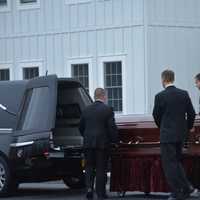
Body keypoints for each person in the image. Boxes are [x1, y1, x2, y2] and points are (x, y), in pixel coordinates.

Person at [153, 70, 199, 200]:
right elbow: (191, 113)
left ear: (163, 80)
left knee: (169, 165)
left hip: (167, 135)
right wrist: (188, 128)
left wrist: (162, 126)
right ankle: (186, 188)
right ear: (173, 78)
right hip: (180, 135)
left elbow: (156, 115)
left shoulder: (160, 96)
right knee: (177, 162)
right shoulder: (183, 94)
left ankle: (177, 191)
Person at [79, 88, 119, 200]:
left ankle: (89, 189)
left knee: (89, 167)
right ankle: (101, 193)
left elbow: (81, 127)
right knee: (101, 168)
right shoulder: (108, 110)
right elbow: (112, 128)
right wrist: (115, 141)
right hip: (102, 144)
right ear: (104, 96)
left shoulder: (86, 109)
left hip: (88, 143)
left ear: (94, 96)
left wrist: (87, 137)